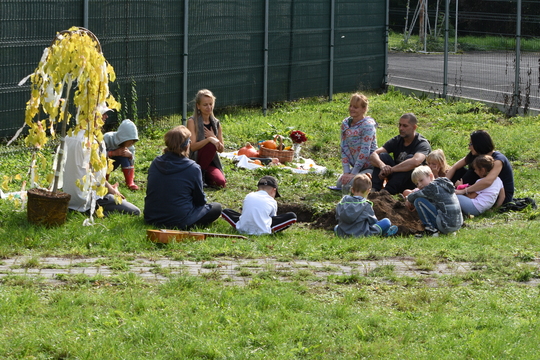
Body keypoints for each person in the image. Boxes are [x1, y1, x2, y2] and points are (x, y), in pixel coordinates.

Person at [62, 108, 140, 217]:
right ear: (92, 116)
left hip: (69, 199)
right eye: (103, 114)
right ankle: (95, 210)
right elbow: (98, 178)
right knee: (135, 211)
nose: (106, 117)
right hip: (88, 199)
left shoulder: (68, 137)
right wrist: (114, 192)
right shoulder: (92, 141)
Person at [144, 125, 222, 229]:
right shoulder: (193, 168)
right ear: (187, 145)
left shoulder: (155, 162)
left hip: (152, 217)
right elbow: (200, 201)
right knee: (216, 207)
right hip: (180, 220)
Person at [369, 113, 431, 195]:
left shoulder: (422, 143)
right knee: (382, 156)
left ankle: (386, 192)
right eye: (400, 125)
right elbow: (374, 154)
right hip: (395, 177)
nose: (401, 128)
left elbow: (416, 161)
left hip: (413, 181)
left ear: (414, 127)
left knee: (410, 159)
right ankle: (374, 190)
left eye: (405, 126)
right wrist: (383, 166)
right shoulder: (397, 140)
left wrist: (391, 169)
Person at [447, 130, 514, 204]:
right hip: (481, 189)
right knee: (459, 171)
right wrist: (443, 182)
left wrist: (463, 190)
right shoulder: (476, 155)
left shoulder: (498, 160)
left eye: (471, 144)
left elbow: (488, 181)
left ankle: (460, 194)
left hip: (497, 195)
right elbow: (455, 167)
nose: (469, 147)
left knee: (472, 173)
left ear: (479, 144)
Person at [221, 176, 297, 235]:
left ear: (257, 190)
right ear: (274, 190)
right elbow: (272, 218)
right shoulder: (272, 201)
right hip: (263, 231)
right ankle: (266, 231)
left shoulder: (249, 195)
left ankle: (243, 225)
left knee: (226, 211)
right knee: (292, 216)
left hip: (241, 228)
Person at [332, 93, 377, 190]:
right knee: (340, 184)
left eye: (355, 107)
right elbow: (343, 147)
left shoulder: (368, 126)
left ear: (364, 109)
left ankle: (373, 185)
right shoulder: (345, 124)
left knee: (349, 185)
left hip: (370, 166)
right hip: (357, 168)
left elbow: (365, 151)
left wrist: (353, 173)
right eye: (350, 106)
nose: (351, 109)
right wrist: (346, 172)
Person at [334, 173, 398, 237]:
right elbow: (373, 222)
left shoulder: (342, 202)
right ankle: (384, 233)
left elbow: (337, 217)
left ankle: (342, 233)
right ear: (368, 191)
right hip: (361, 235)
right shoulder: (366, 205)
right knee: (386, 221)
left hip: (342, 233)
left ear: (352, 190)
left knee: (336, 227)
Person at [406, 166, 463, 236]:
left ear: (430, 176)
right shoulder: (441, 184)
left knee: (418, 201)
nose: (419, 185)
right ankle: (448, 231)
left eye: (421, 180)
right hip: (456, 224)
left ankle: (431, 229)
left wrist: (408, 198)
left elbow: (414, 196)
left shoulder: (432, 187)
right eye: (417, 184)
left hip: (445, 225)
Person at [187, 89, 226, 188]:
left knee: (220, 182)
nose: (209, 107)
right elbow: (192, 147)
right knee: (210, 145)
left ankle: (204, 177)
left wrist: (213, 137)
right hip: (195, 160)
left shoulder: (216, 123)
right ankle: (199, 176)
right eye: (205, 105)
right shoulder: (192, 121)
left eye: (210, 104)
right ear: (198, 106)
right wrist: (209, 140)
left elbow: (221, 149)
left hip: (211, 162)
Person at [103, 118, 140, 190]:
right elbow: (98, 154)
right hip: (105, 162)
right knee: (105, 161)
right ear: (124, 138)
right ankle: (104, 180)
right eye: (130, 140)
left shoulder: (130, 147)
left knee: (125, 156)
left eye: (134, 141)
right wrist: (113, 153)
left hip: (115, 163)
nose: (132, 143)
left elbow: (132, 162)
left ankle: (130, 182)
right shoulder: (107, 138)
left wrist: (130, 156)